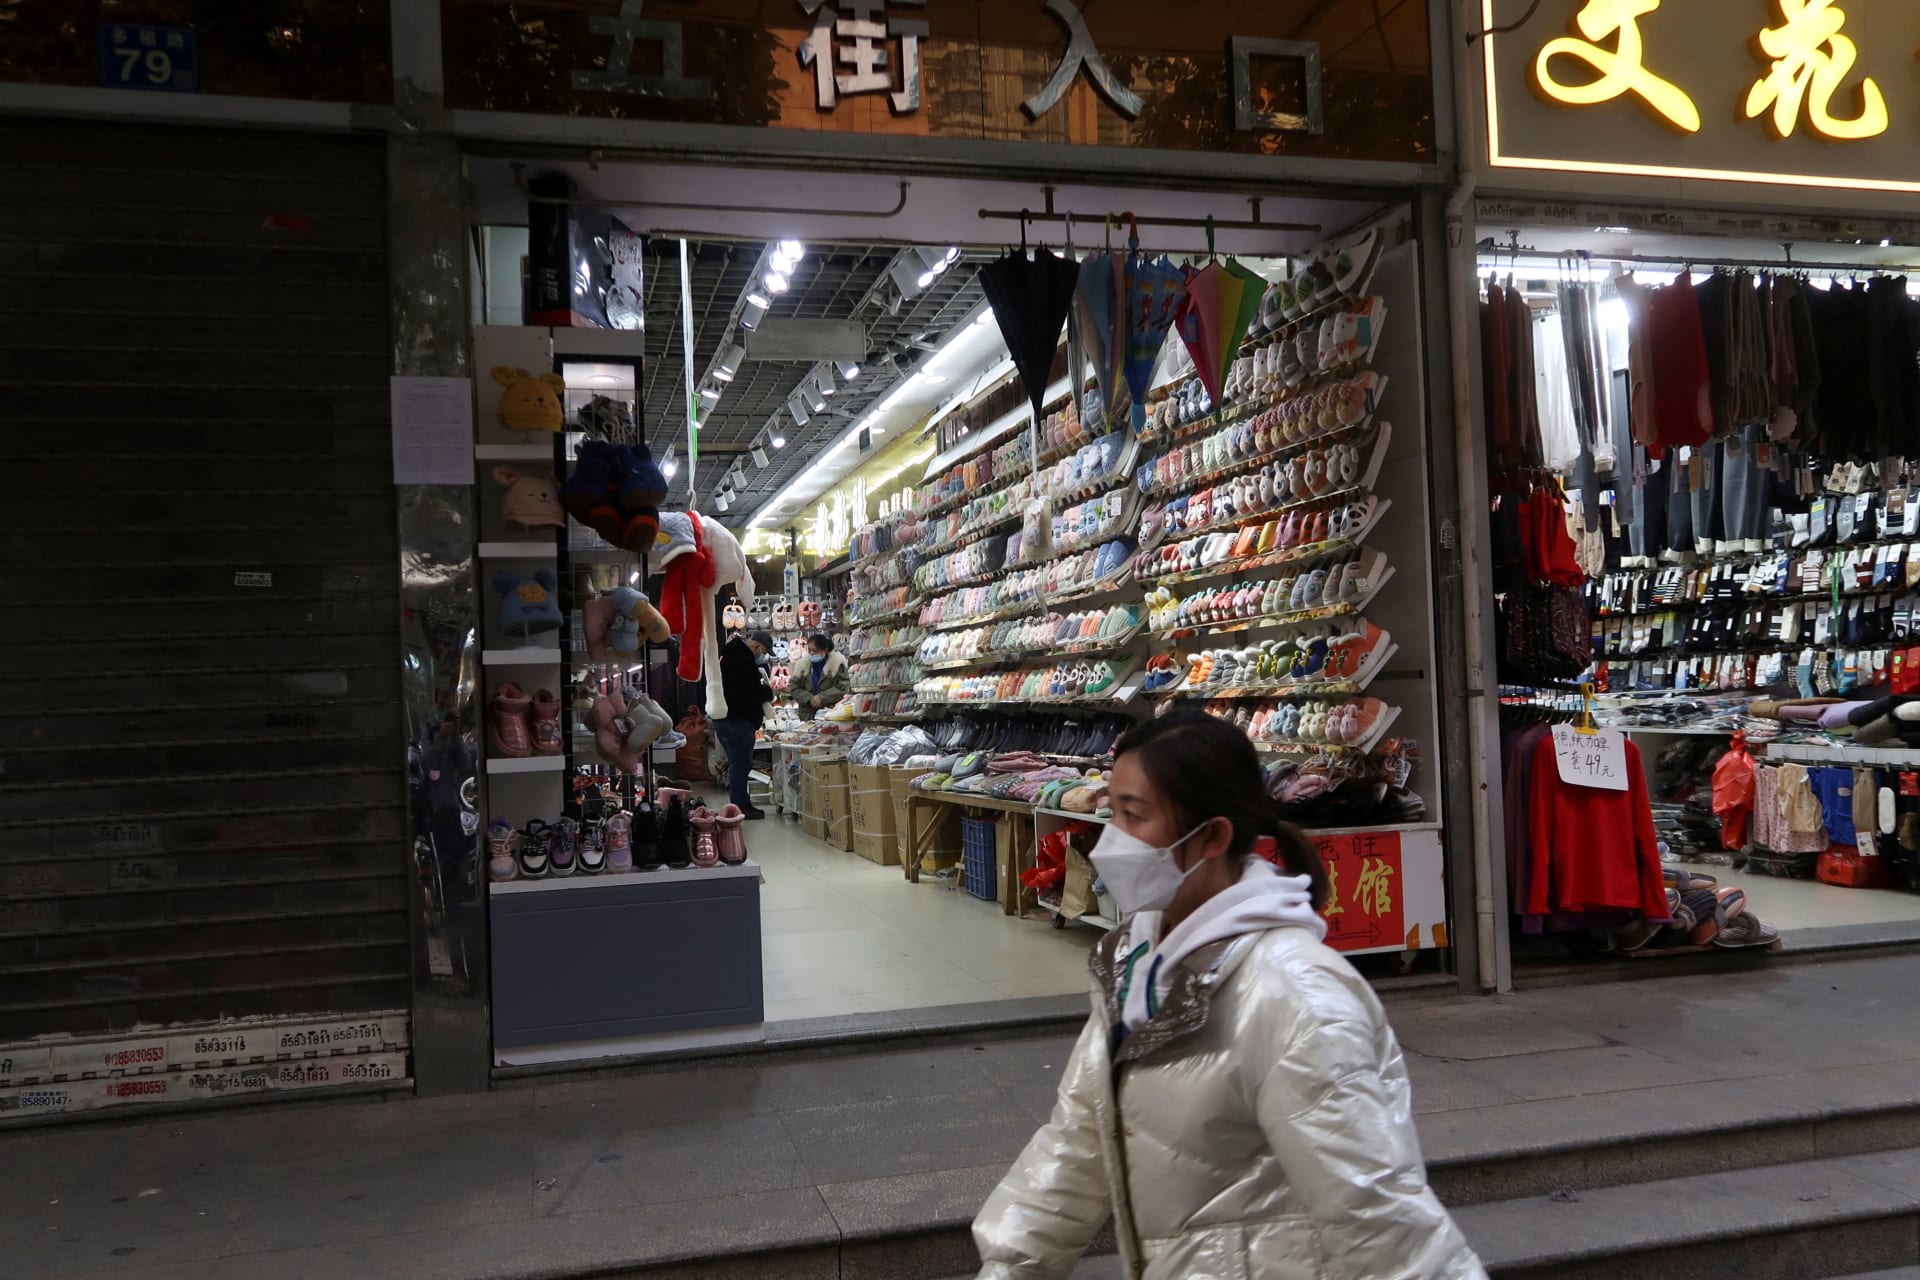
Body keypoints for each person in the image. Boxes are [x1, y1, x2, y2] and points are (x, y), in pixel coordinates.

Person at [973, 712, 1485, 1280]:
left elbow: (1380, 1215)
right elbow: (1076, 1145)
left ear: (1212, 836)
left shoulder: (1295, 995)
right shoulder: (1142, 964)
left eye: (1132, 815)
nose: (1109, 836)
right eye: (1111, 809)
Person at [714, 627, 772, 819]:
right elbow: (750, 691)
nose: (762, 656)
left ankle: (739, 804)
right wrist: (767, 692)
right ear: (756, 646)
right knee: (740, 764)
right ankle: (741, 806)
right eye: (762, 652)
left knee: (737, 764)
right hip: (738, 721)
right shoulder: (742, 660)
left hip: (727, 720)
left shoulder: (732, 655)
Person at [796, 633, 850, 720]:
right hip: (807, 715)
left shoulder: (837, 664)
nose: (811, 653)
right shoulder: (802, 665)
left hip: (829, 713)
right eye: (809, 650)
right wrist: (809, 699)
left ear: (824, 650)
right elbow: (795, 688)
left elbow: (844, 687)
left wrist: (822, 698)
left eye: (815, 650)